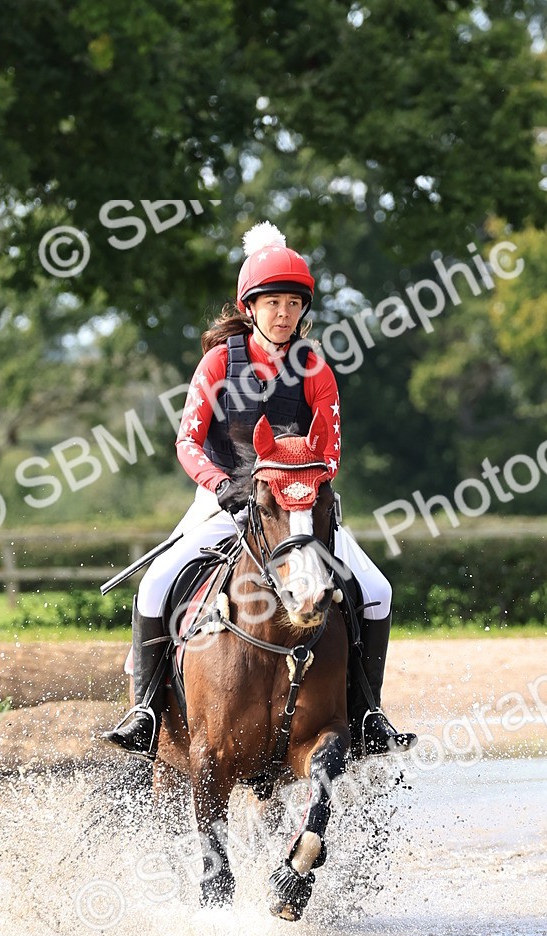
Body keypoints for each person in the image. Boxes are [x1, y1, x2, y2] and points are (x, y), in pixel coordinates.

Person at [104, 222, 415, 761]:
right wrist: (223, 485)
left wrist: (298, 486)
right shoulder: (221, 361)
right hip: (224, 498)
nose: (283, 314)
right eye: (272, 303)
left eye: (293, 303)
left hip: (296, 504)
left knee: (379, 590)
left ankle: (368, 715)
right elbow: (187, 441)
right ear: (250, 308)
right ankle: (146, 712)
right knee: (154, 584)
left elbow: (331, 452)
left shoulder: (315, 366)